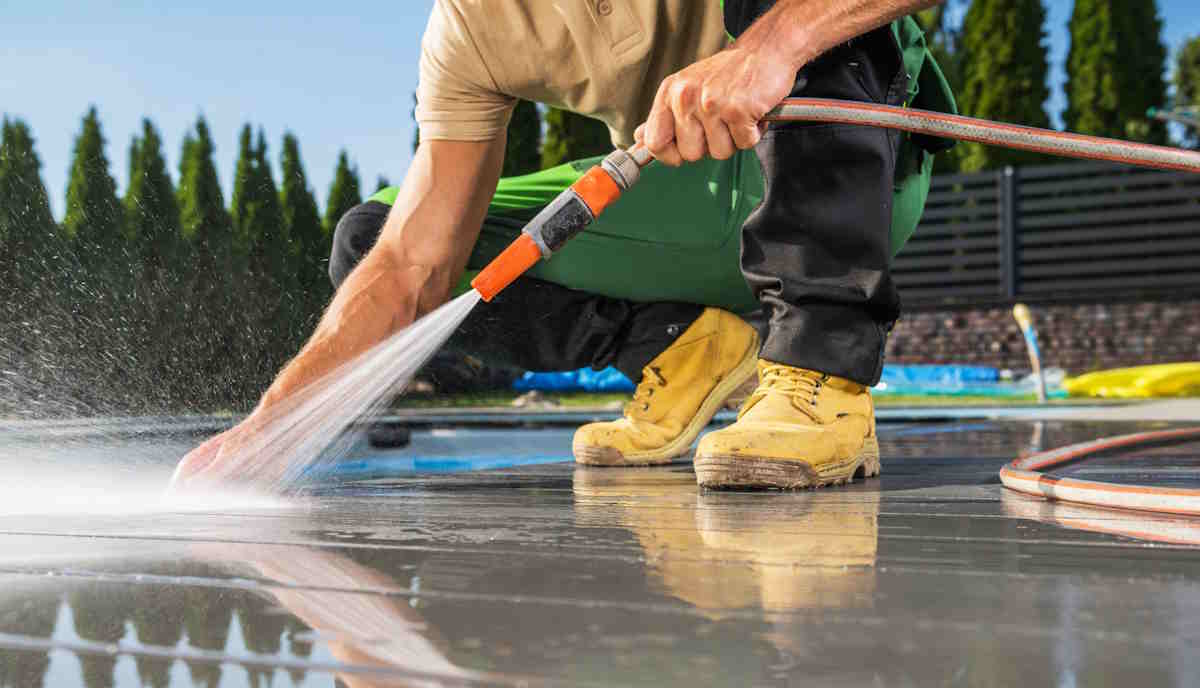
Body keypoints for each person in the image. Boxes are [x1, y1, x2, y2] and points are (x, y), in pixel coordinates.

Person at [175, 0, 955, 490]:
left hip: (860, 173)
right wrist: (273, 428)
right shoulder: (467, 27)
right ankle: (681, 348)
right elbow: (414, 265)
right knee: (374, 237)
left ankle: (820, 375)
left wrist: (773, 44)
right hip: (681, 197)